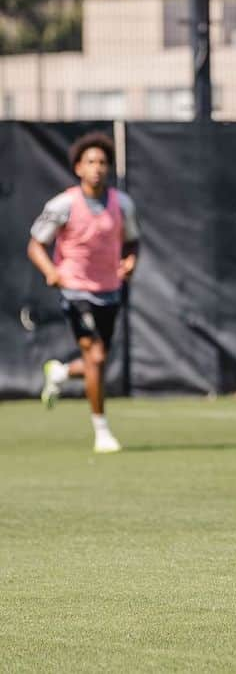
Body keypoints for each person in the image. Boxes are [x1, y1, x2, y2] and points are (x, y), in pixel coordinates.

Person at [27, 131, 139, 453]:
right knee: (98, 356)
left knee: (97, 362)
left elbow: (132, 241)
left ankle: (60, 372)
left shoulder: (122, 204)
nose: (97, 168)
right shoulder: (63, 204)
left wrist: (130, 261)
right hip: (75, 290)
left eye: (103, 162)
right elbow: (36, 244)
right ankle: (101, 430)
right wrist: (51, 271)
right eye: (90, 162)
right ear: (78, 168)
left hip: (110, 291)